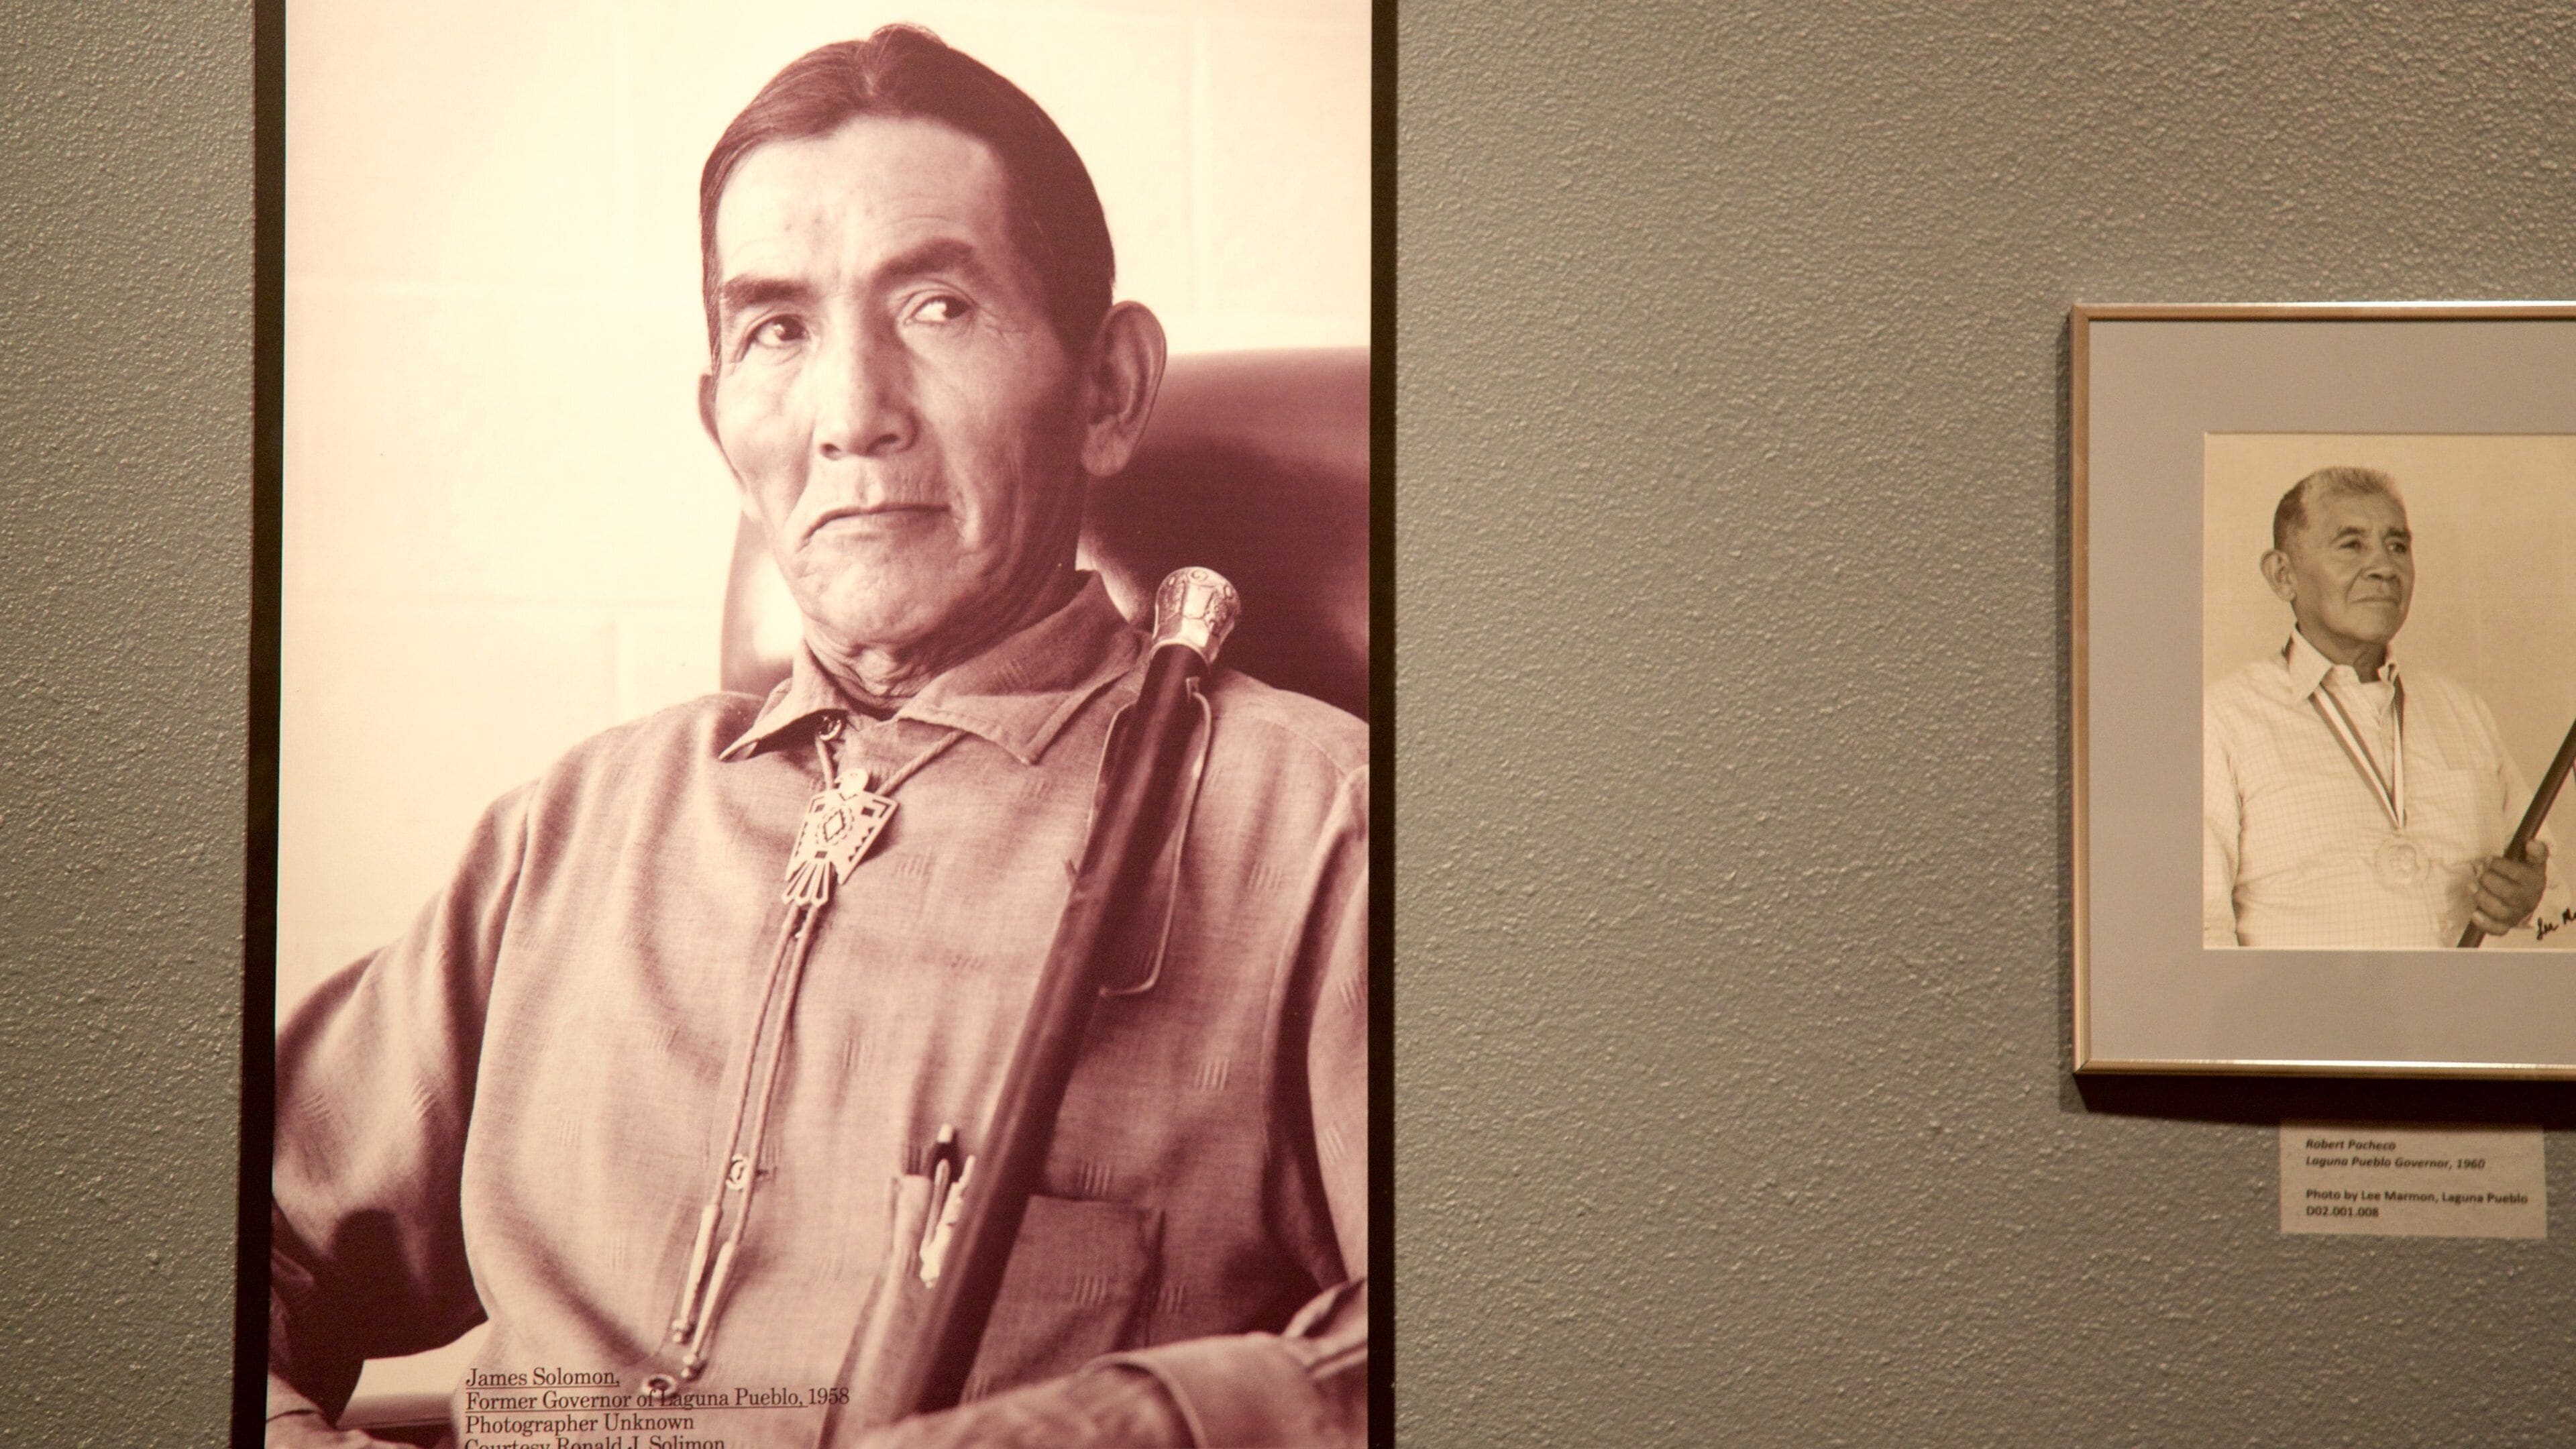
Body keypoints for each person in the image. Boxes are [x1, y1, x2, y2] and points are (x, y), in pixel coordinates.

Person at [268, 28, 1366, 1449]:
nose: (852, 417)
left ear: (1106, 392)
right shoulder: (576, 828)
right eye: (778, 328)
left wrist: (1102, 1429)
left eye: (936, 309)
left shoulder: (1317, 828)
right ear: (721, 418)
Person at [2204, 465, 2564, 949]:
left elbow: (2560, 911)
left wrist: (2531, 901)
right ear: (2283, 574)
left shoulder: (2464, 713)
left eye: (2397, 546)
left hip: (2462, 1018)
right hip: (2305, 1021)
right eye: (2352, 545)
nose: (2384, 567)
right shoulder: (2222, 720)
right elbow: (2201, 934)